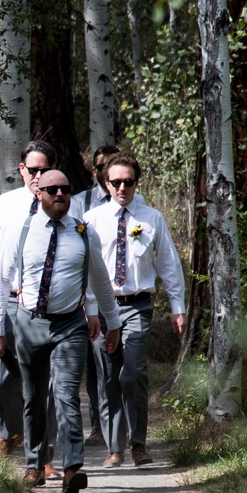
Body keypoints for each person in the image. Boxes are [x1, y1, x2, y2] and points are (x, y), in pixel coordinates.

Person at [0, 169, 122, 493]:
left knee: (66, 396)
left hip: (70, 326)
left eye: (64, 189)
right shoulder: (19, 231)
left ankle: (73, 468)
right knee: (33, 398)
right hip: (29, 322)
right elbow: (1, 282)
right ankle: (34, 465)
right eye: (52, 190)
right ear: (39, 193)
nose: (59, 194)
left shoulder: (83, 232)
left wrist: (113, 322)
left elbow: (101, 281)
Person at [84, 152, 187, 468]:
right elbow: (84, 268)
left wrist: (177, 307)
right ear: (106, 182)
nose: (122, 188)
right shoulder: (92, 220)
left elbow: (168, 264)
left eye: (128, 182)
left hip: (137, 306)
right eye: (115, 182)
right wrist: (88, 309)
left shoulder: (151, 218)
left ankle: (138, 444)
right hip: (102, 307)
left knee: (133, 373)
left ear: (136, 182)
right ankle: (114, 448)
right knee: (109, 375)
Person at [0, 140, 61, 469]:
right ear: (22, 169)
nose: (37, 176)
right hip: (6, 302)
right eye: (32, 169)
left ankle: (44, 454)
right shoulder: (5, 206)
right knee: (3, 380)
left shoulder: (64, 204)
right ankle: (11, 434)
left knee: (44, 381)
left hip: (44, 307)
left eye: (43, 169)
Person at [71, 143, 119, 445]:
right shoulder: (79, 202)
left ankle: (116, 423)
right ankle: (98, 428)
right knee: (92, 365)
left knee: (115, 365)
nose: (108, 173)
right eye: (103, 167)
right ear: (95, 171)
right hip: (86, 294)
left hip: (119, 291)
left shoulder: (129, 198)